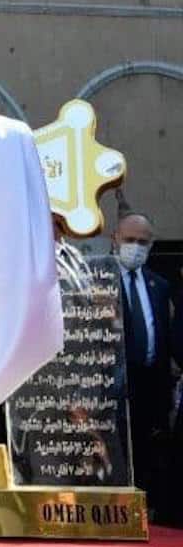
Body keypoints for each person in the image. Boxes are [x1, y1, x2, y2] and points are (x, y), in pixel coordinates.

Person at [112, 212, 177, 514]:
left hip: (150, 385)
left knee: (147, 455)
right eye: (129, 240)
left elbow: (163, 336)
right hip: (112, 387)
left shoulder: (159, 285)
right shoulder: (98, 280)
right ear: (115, 239)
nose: (135, 247)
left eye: (143, 242)